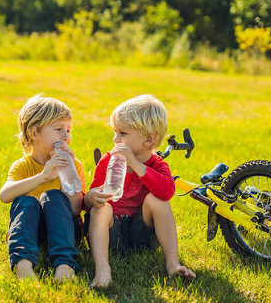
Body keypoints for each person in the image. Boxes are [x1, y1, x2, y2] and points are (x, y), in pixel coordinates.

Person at [83, 94, 196, 288]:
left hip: (142, 234)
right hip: (111, 233)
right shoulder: (107, 161)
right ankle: (102, 269)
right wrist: (91, 197)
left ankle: (172, 263)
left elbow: (167, 192)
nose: (115, 138)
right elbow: (87, 205)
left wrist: (135, 164)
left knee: (158, 199)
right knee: (101, 209)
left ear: (148, 139)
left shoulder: (157, 165)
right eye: (115, 132)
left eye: (123, 134)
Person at [0, 94, 86, 282]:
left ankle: (64, 265)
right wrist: (43, 176)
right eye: (58, 129)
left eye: (68, 130)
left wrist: (67, 175)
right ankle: (23, 264)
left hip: (66, 229)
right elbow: (4, 195)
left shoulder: (75, 165)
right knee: (26, 201)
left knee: (53, 196)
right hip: (32, 230)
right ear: (34, 133)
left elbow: (76, 209)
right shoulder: (23, 166)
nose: (65, 136)